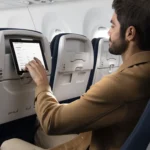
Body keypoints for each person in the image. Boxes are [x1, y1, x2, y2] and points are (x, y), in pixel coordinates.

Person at [25, 0, 150, 149]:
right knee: (41, 133)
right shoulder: (142, 73)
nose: (108, 32)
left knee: (8, 143)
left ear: (130, 33)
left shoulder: (120, 83)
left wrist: (42, 84)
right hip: (108, 140)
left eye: (112, 26)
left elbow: (51, 122)